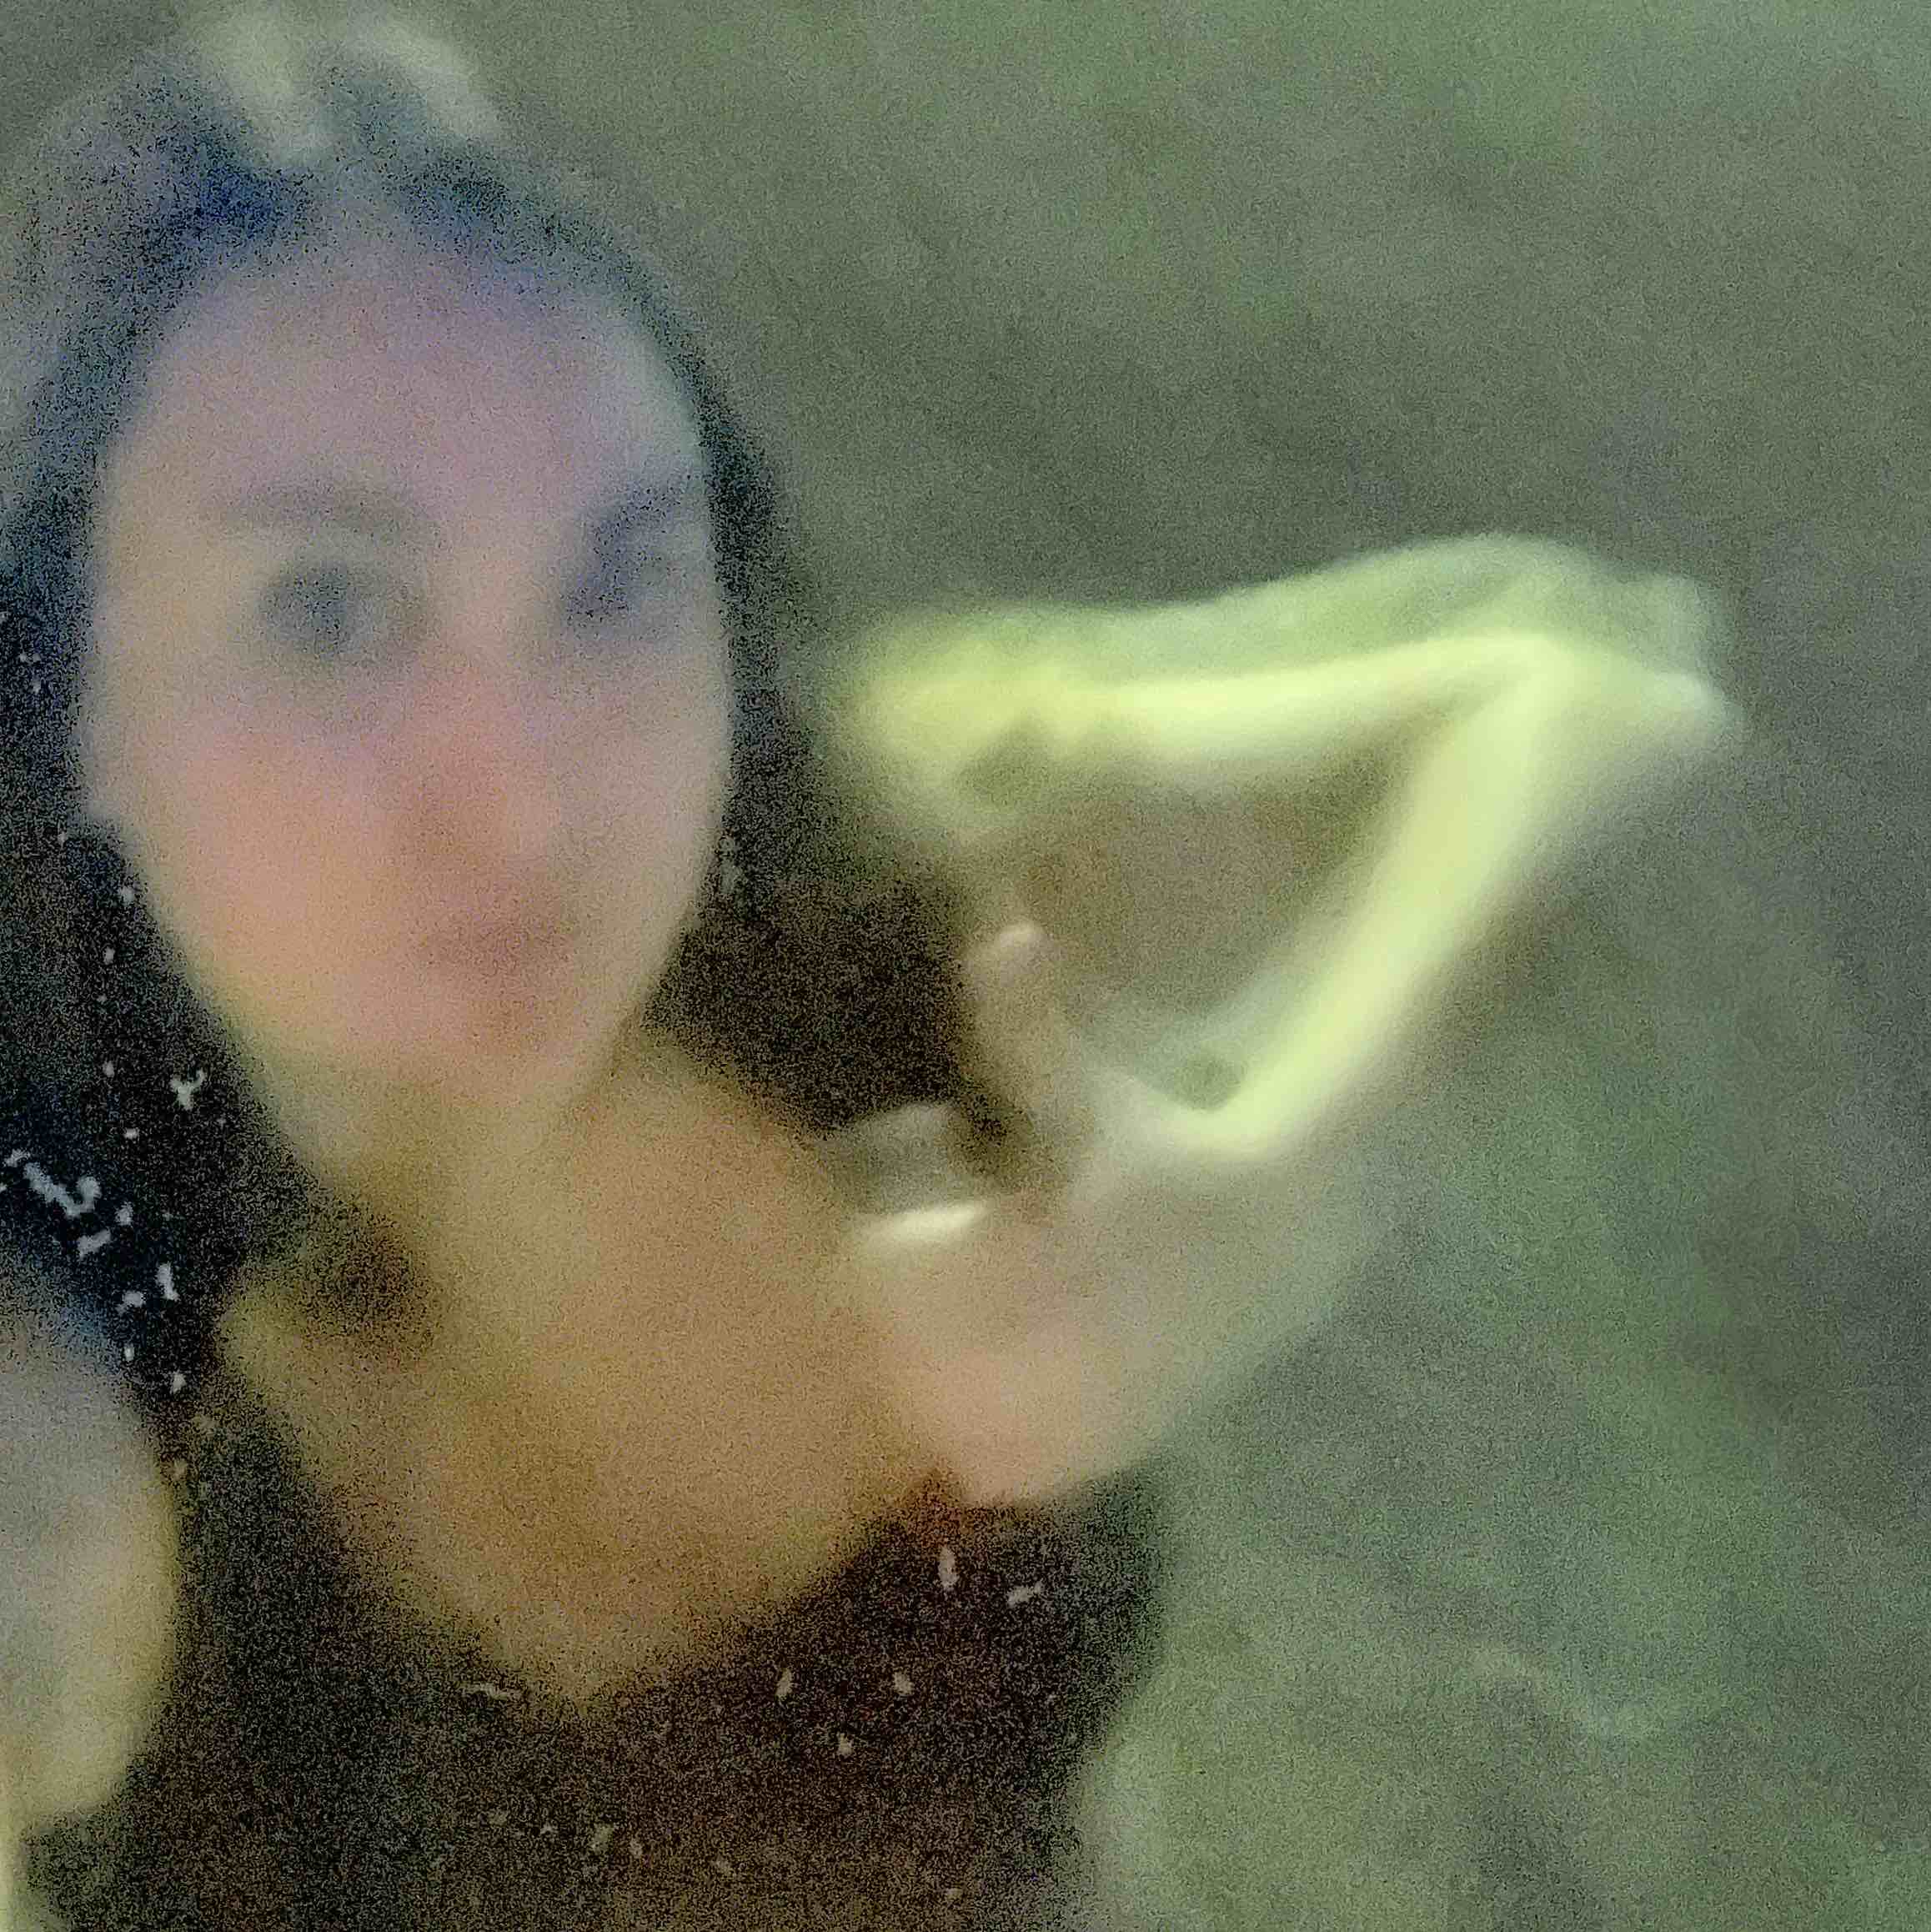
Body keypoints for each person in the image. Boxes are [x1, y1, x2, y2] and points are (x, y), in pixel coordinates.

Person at [0, 4, 1923, 1929]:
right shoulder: (62, 1339)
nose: (522, 801)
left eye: (618, 580)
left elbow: (1588, 699)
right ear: (66, 678)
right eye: (329, 612)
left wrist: (1262, 1170)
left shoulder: (876, 876)